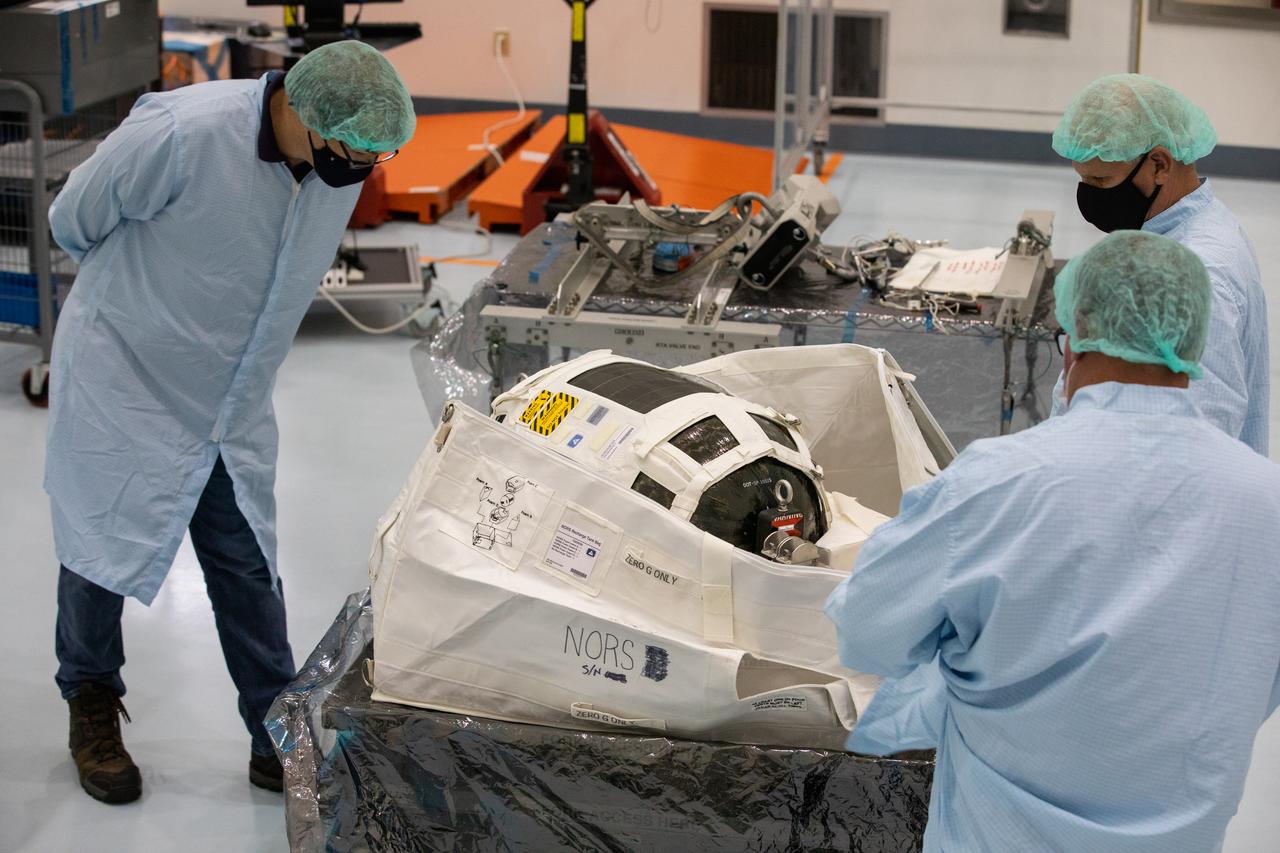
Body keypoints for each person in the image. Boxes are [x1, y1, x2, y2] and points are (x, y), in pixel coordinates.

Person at [826, 230, 1280, 852]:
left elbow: (867, 632)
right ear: (1194, 343)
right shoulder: (1268, 501)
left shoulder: (997, 482)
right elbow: (1253, 682)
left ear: (1074, 339)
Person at [46, 40, 415, 804]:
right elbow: (72, 217)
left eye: (374, 159)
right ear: (300, 112)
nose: (360, 169)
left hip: (229, 397)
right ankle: (89, 701)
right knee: (99, 548)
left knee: (247, 565)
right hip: (127, 377)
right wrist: (134, 307)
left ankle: (274, 729)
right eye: (353, 152)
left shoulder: (338, 160)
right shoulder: (183, 134)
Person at [1050, 73, 1269, 457]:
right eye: (1083, 180)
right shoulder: (1174, 232)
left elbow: (1197, 439)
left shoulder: (1202, 274)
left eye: (1101, 180)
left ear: (1159, 165)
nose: (1089, 197)